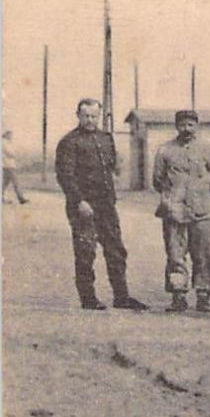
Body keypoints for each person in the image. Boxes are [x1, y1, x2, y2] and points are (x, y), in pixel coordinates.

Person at [55, 98, 146, 311]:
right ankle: (88, 298)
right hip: (83, 207)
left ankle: (122, 297)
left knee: (116, 250)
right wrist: (79, 201)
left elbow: (112, 167)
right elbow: (65, 176)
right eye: (86, 116)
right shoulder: (69, 142)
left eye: (94, 116)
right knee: (86, 251)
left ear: (99, 117)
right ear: (78, 115)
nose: (90, 120)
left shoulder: (106, 139)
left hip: (106, 205)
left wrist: (115, 180)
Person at [152, 110, 210, 312]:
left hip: (201, 212)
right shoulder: (165, 150)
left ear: (197, 126)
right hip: (174, 212)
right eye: (183, 125)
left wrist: (203, 193)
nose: (186, 129)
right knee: (175, 255)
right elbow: (157, 180)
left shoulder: (206, 150)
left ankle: (203, 296)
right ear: (177, 126)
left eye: (191, 125)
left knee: (202, 255)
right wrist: (173, 195)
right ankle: (178, 295)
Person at [2, 128, 27, 204]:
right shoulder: (4, 143)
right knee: (16, 182)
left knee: (4, 183)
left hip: (7, 165)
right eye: (9, 134)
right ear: (6, 134)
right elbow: (11, 153)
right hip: (9, 165)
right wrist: (15, 153)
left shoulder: (7, 143)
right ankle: (21, 198)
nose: (11, 135)